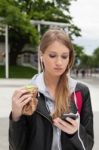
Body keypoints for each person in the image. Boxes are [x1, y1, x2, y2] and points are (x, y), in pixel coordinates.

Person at [9, 29, 94, 150]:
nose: (59, 62)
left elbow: (88, 145)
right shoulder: (28, 94)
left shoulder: (80, 91)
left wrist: (75, 132)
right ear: (41, 55)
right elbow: (16, 147)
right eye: (52, 55)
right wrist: (16, 117)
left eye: (64, 56)